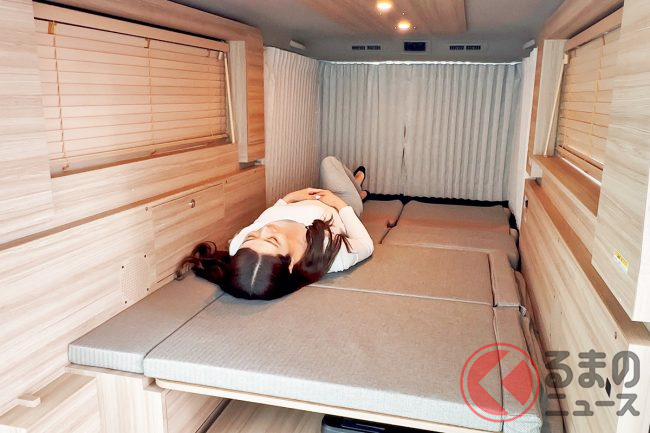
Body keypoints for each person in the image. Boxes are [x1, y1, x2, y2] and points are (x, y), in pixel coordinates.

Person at [178, 156, 373, 300]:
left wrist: (289, 198)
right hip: (342, 203)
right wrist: (338, 203)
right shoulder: (328, 256)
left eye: (253, 237)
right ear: (289, 264)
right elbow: (366, 244)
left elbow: (267, 217)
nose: (265, 229)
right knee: (329, 163)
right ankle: (357, 189)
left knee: (328, 163)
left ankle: (357, 187)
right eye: (272, 240)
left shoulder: (238, 245)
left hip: (308, 198)